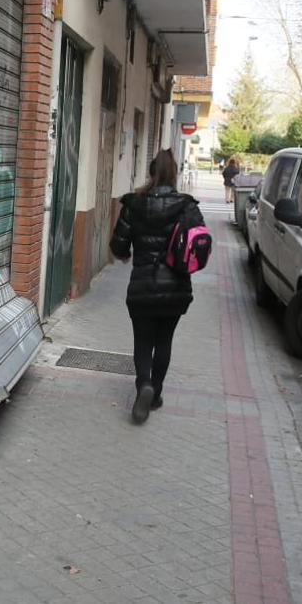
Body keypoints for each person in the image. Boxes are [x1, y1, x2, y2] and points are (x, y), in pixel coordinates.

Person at [110, 149, 204, 424]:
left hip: (142, 285)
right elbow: (199, 245)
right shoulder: (187, 206)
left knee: (143, 340)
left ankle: (144, 385)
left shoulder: (135, 204)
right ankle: (157, 394)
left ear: (150, 173)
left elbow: (118, 245)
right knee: (164, 341)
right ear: (175, 175)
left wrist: (127, 254)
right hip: (176, 288)